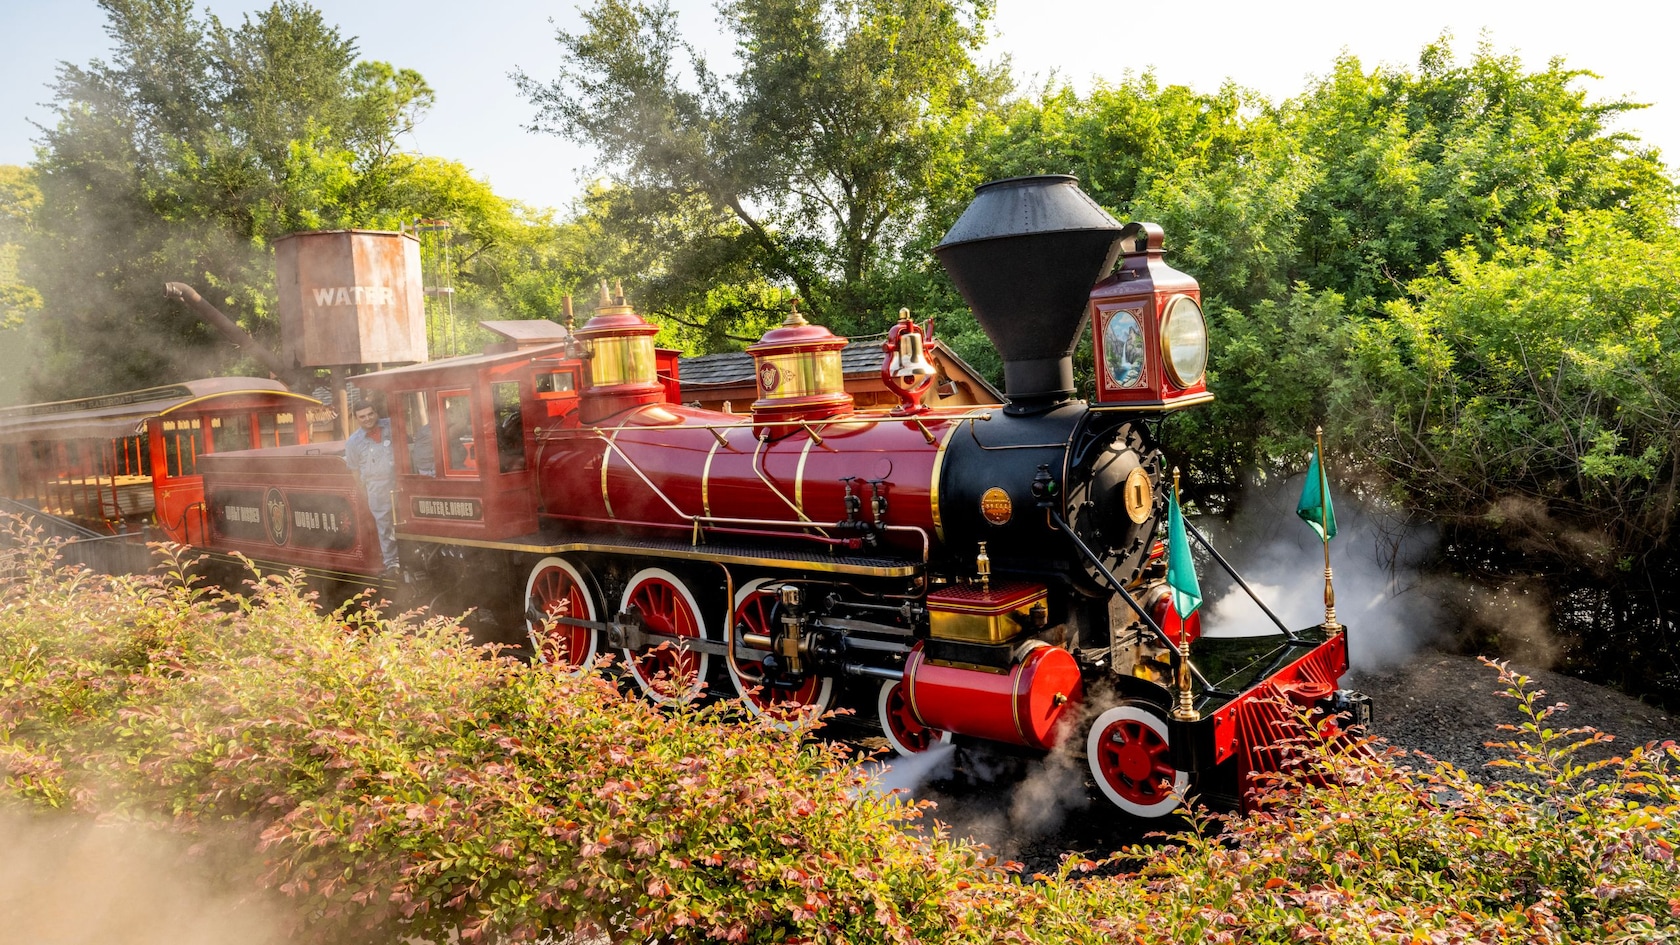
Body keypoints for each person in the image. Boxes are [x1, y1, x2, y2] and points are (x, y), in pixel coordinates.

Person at [344, 401, 399, 577]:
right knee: (384, 525)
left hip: (400, 480)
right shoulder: (353, 442)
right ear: (356, 418)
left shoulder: (393, 425)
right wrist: (365, 491)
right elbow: (354, 470)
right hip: (375, 485)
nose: (367, 419)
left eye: (370, 414)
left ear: (376, 413)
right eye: (362, 416)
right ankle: (392, 564)